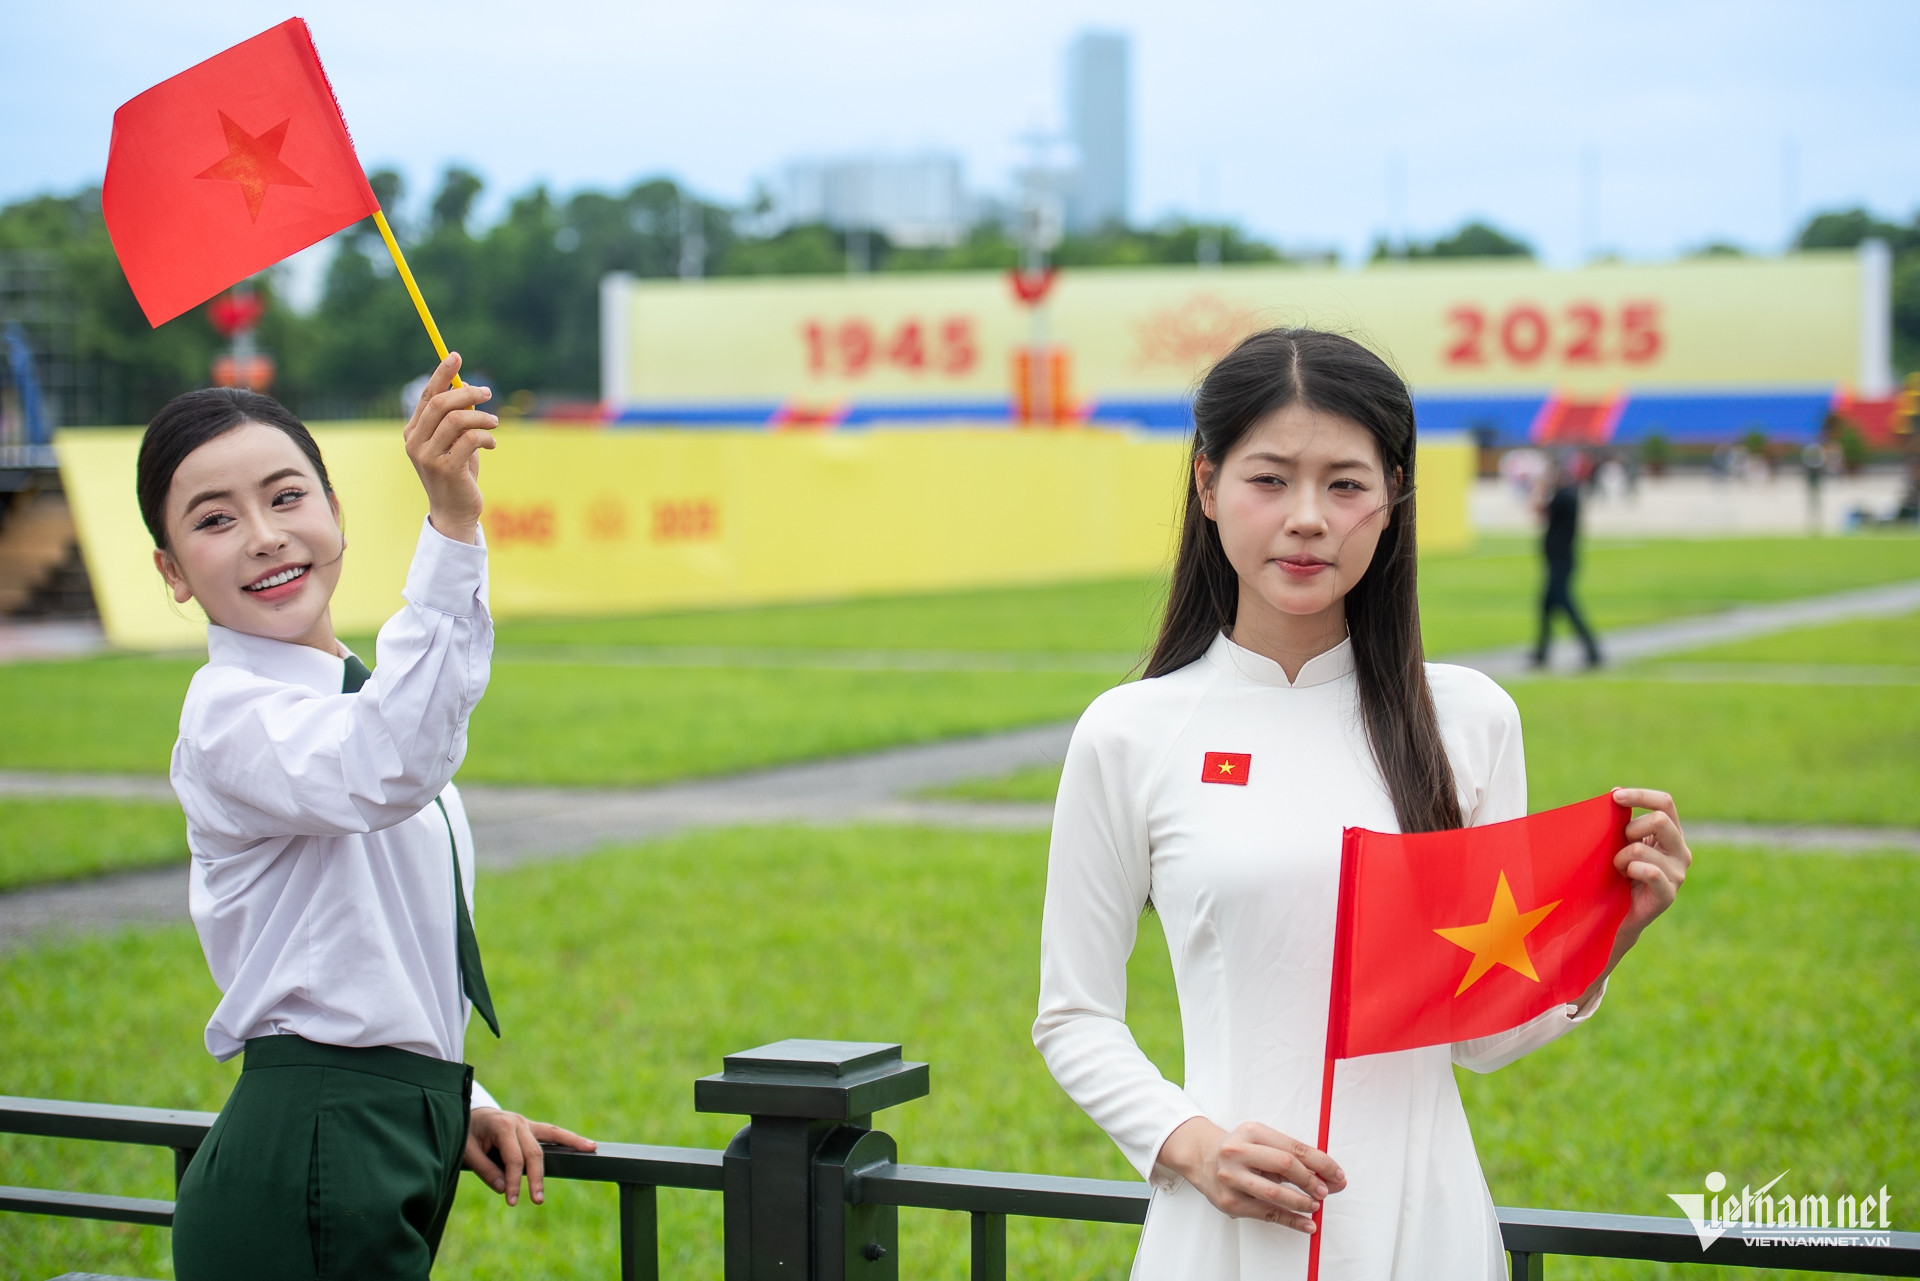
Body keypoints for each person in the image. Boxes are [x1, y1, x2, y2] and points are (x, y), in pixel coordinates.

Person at [1033, 329, 1691, 1280]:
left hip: (1428, 1230)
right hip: (1223, 1236)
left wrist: (1610, 928)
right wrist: (1191, 1143)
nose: (1308, 518)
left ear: (1391, 503)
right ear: (1208, 487)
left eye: (1345, 484)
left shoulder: (1468, 720)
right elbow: (1074, 1013)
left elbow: (1484, 1035)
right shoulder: (1132, 730)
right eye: (1270, 480)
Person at [141, 354, 594, 1281]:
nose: (265, 536)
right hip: (313, 1147)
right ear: (173, 571)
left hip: (384, 1135)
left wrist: (457, 1100)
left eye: (285, 497)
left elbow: (370, 936)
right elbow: (389, 762)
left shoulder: (351, 696)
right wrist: (455, 521)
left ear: (336, 512)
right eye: (215, 520)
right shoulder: (229, 713)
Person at [1532, 452, 1602, 669]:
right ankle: (1542, 653)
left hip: (1560, 561)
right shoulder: (1570, 494)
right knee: (1546, 607)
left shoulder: (1565, 496)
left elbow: (1539, 511)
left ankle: (1591, 650)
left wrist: (1540, 488)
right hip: (1559, 559)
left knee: (1566, 606)